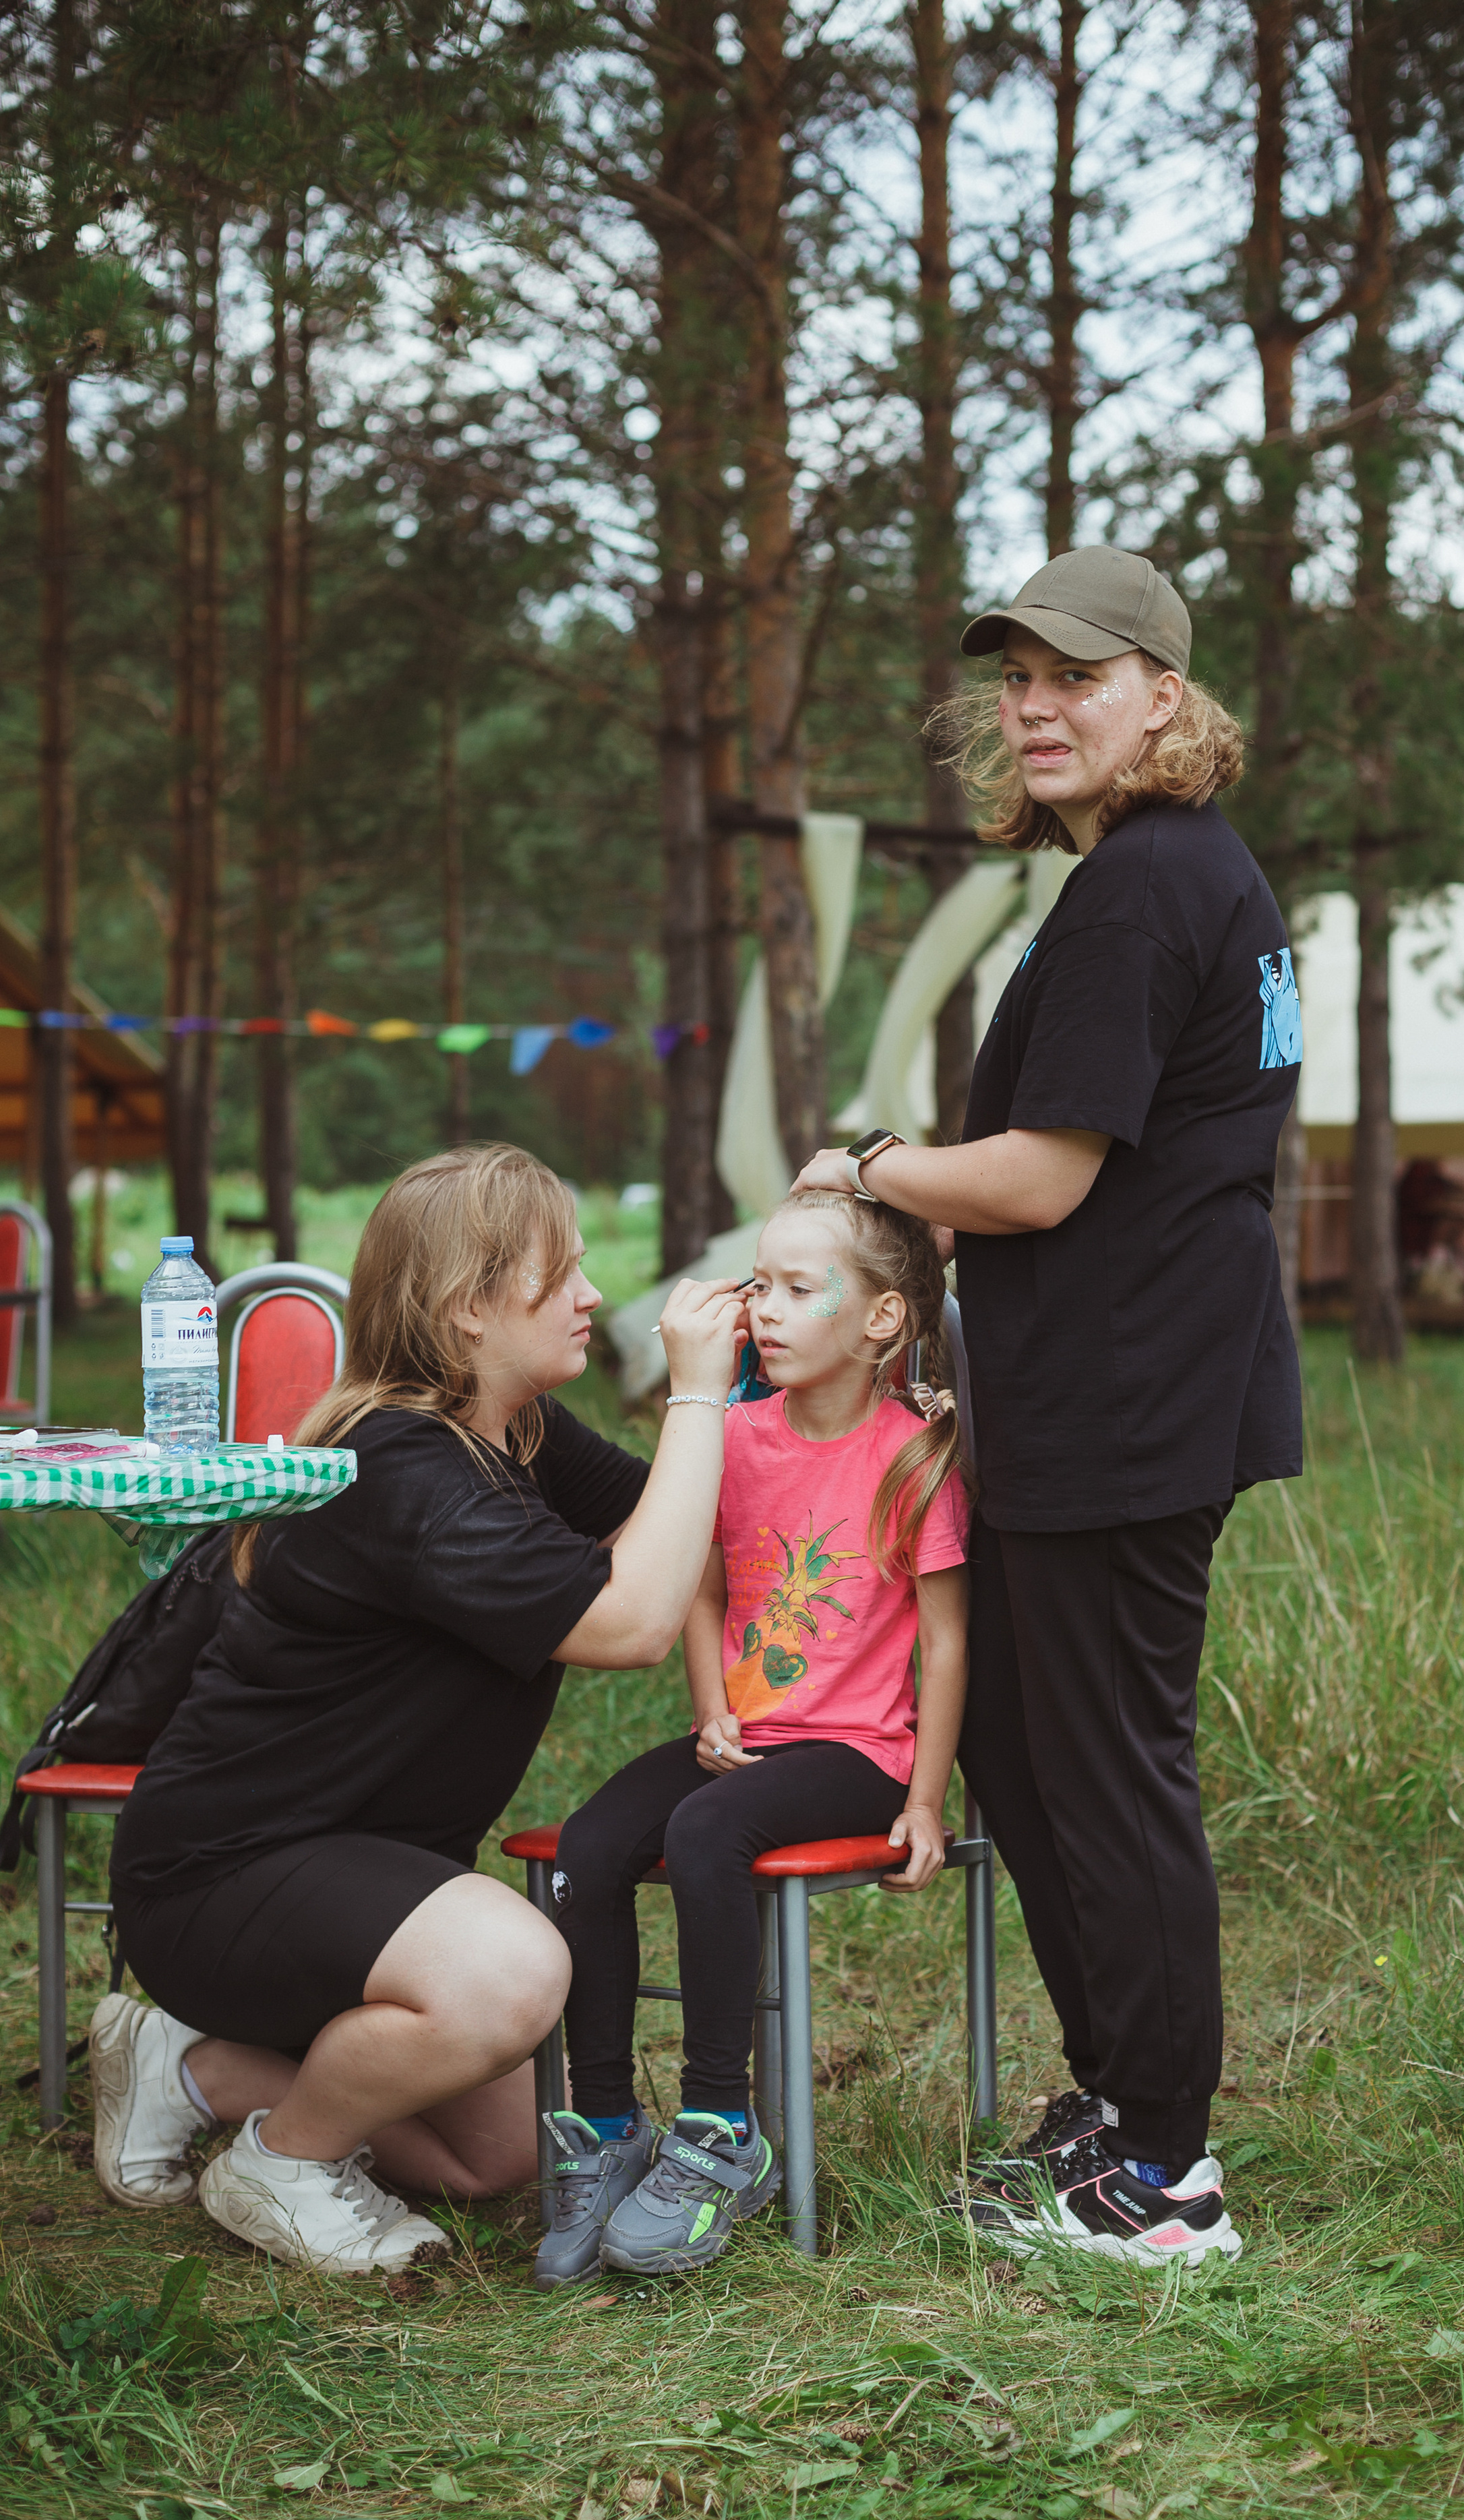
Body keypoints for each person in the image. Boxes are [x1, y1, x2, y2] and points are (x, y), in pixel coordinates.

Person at [792, 545, 1302, 2269]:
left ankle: (1166, 2174)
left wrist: (871, 1163)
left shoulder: (1147, 886)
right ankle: (1108, 2099)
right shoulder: (1164, 880)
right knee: (1025, 1743)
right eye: (1014, 678)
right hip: (1114, 1388)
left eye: (1074, 675)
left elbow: (1037, 1179)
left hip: (1127, 1396)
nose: (1033, 706)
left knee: (1104, 1769)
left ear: (1164, 693)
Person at [91, 1143, 746, 2277]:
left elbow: (684, 1518)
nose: (594, 1297)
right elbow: (630, 1623)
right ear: (467, 1311)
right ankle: (282, 2162)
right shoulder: (402, 1468)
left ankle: (187, 2068)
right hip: (223, 1872)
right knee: (513, 1975)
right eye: (563, 1276)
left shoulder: (516, 1431)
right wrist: (696, 1388)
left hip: (364, 1871)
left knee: (487, 2161)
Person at [533, 1192, 969, 2286]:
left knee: (710, 1829)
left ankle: (723, 2128)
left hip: (857, 1755)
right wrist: (711, 1708)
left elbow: (949, 1646)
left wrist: (922, 1797)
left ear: (881, 1322)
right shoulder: (728, 1437)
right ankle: (609, 2124)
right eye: (757, 1285)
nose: (762, 1309)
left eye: (796, 1288)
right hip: (744, 1737)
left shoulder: (915, 1458)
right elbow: (704, 1590)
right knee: (588, 1846)